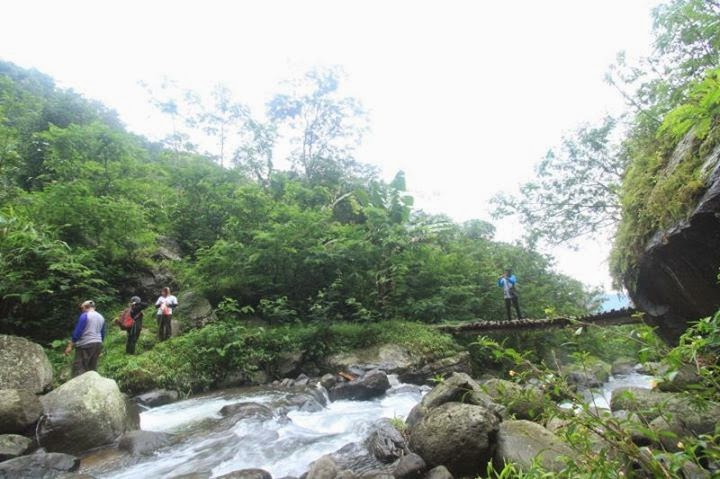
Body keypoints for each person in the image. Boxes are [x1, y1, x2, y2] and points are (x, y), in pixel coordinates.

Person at [64, 300, 106, 377]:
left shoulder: (85, 316)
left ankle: (78, 387)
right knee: (92, 368)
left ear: (86, 307)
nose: (81, 310)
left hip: (85, 344)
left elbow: (78, 332)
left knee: (79, 368)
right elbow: (102, 333)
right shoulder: (101, 317)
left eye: (82, 308)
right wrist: (100, 344)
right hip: (97, 344)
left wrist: (70, 345)